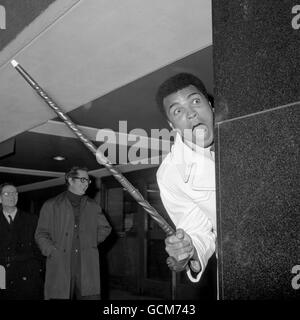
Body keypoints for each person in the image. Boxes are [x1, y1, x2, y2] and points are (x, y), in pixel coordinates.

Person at [156, 73, 216, 283]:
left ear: (210, 105)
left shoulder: (249, 127)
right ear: (172, 125)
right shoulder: (171, 174)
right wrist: (189, 249)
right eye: (178, 111)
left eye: (196, 101)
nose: (191, 114)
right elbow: (198, 231)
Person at [35, 166, 112, 300]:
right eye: (82, 180)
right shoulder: (51, 205)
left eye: (88, 181)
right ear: (70, 180)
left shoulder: (93, 206)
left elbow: (105, 228)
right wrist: (52, 251)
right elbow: (41, 233)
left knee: (90, 297)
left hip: (86, 265)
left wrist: (90, 242)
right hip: (60, 264)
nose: (86, 184)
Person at [0, 182, 43, 300]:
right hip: (2, 274)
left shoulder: (31, 219)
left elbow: (38, 247)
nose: (12, 196)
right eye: (7, 193)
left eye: (15, 193)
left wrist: (37, 268)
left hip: (26, 274)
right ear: (0, 198)